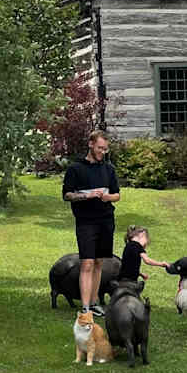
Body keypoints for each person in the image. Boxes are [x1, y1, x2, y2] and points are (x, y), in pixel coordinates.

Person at [62, 131, 120, 315]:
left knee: (98, 263)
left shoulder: (109, 169)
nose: (103, 152)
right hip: (86, 222)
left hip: (106, 220)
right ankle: (85, 307)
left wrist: (106, 197)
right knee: (87, 263)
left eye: (105, 149)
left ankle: (95, 302)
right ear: (90, 144)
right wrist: (87, 195)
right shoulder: (75, 169)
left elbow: (117, 195)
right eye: (99, 148)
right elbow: (67, 195)